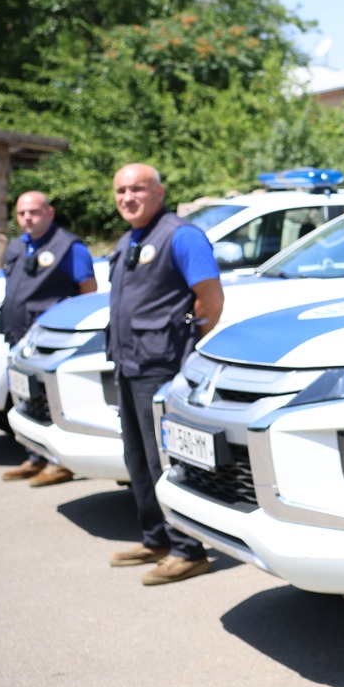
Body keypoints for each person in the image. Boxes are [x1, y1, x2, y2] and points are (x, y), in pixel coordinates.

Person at [103, 164, 223, 585]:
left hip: (161, 367)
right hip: (129, 363)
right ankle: (156, 538)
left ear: (159, 192)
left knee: (164, 462)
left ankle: (187, 550)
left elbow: (210, 300)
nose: (127, 197)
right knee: (137, 460)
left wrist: (187, 345)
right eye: (121, 191)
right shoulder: (130, 239)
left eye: (137, 189)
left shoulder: (181, 236)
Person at [0, 191, 98, 484]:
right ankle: (35, 456)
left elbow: (88, 292)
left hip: (51, 344)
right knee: (25, 399)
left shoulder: (69, 247)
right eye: (21, 213)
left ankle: (58, 462)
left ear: (50, 212)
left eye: (34, 212)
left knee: (50, 402)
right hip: (20, 337)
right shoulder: (17, 246)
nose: (27, 218)